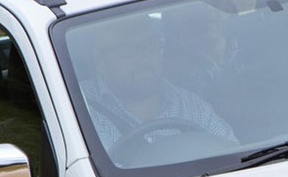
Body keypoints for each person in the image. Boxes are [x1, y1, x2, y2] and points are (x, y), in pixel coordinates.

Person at [78, 13, 236, 155]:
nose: (143, 59)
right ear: (100, 61)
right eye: (126, 51)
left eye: (149, 45)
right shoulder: (78, 110)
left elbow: (231, 153)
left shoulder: (190, 105)